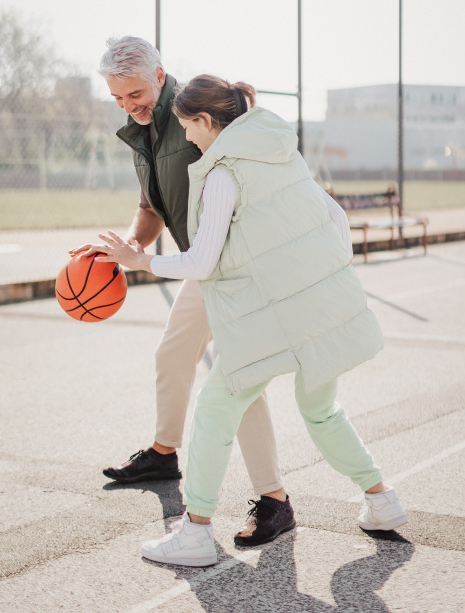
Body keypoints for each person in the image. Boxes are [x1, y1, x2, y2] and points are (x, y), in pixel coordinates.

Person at [82, 74, 408, 568]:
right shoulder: (280, 152)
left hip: (273, 316)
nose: (188, 139)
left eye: (189, 128)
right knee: (321, 410)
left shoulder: (222, 174)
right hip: (325, 304)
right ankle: (382, 502)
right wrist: (326, 279)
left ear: (207, 122)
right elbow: (335, 217)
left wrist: (139, 260)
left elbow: (201, 263)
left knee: (215, 407)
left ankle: (194, 533)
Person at [85, 37, 295, 546]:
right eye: (116, 98)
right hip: (204, 265)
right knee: (173, 354)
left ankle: (275, 500)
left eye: (134, 93)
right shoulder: (146, 131)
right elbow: (152, 208)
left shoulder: (198, 113)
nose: (127, 105)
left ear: (160, 76)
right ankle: (163, 453)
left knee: (238, 383)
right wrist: (131, 248)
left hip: (239, 267)